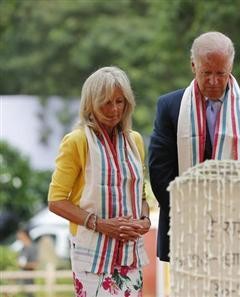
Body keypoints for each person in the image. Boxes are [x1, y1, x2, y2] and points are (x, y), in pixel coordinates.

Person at [149, 31, 240, 262]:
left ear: (231, 67)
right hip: (183, 225)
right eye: (207, 73)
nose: (214, 81)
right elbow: (159, 170)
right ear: (193, 66)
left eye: (221, 73)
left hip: (238, 226)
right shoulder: (169, 106)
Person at [48, 66, 150, 297]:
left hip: (129, 253)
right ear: (90, 104)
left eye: (119, 101)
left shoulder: (135, 141)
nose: (114, 110)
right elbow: (55, 201)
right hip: (91, 255)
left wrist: (143, 220)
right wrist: (101, 224)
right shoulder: (76, 141)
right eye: (105, 102)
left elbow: (141, 195)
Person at [16, 228, 38, 297]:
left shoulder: (32, 247)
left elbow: (35, 264)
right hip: (21, 280)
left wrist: (24, 265)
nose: (17, 236)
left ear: (24, 235)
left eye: (19, 234)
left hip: (29, 280)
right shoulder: (22, 248)